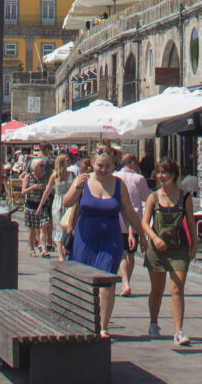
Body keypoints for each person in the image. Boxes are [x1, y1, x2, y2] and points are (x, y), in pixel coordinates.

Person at [63, 149, 158, 334]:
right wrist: (76, 188)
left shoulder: (118, 184)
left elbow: (129, 211)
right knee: (83, 280)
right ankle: (84, 320)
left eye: (108, 166)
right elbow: (67, 202)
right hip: (85, 239)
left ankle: (103, 326)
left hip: (110, 240)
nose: (104, 170)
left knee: (107, 281)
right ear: (92, 164)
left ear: (114, 166)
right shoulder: (83, 180)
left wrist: (141, 235)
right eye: (100, 166)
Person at [140, 159, 193, 345]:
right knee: (157, 289)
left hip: (178, 248)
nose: (161, 176)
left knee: (177, 288)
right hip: (157, 249)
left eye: (165, 172)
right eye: (159, 172)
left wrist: (194, 245)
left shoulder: (185, 197)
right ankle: (153, 322)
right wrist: (154, 239)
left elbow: (191, 223)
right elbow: (144, 223)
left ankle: (178, 331)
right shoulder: (153, 198)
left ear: (174, 175)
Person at [111, 147, 150, 299]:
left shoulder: (115, 177)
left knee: (122, 253)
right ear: (133, 163)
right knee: (131, 254)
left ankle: (125, 282)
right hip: (134, 220)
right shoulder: (139, 179)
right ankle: (127, 282)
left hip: (119, 219)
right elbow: (147, 197)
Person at [22, 158, 49, 258]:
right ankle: (32, 249)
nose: (43, 168)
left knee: (43, 227)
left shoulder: (45, 177)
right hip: (31, 205)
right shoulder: (28, 177)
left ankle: (44, 249)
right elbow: (23, 191)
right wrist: (32, 187)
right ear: (34, 167)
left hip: (42, 205)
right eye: (41, 166)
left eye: (43, 166)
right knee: (32, 229)